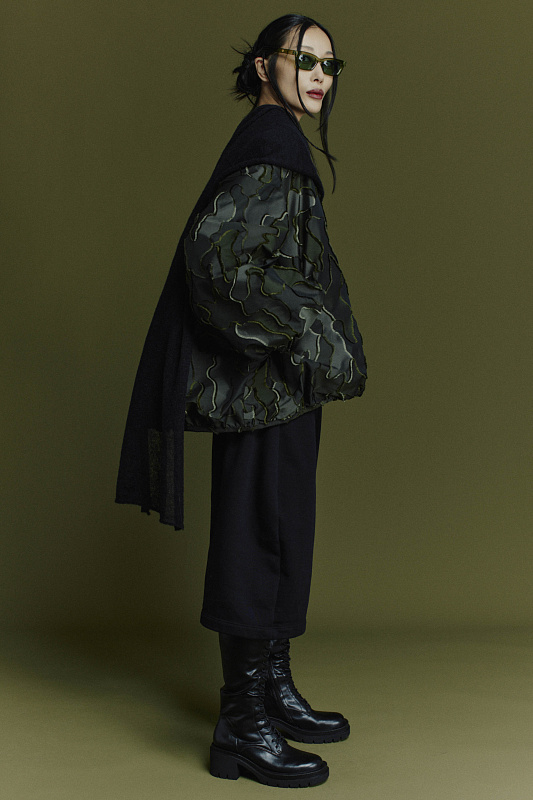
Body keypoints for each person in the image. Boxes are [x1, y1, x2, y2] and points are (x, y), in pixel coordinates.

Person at [116, 13, 367, 789]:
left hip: (279, 390)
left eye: (328, 64)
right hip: (261, 388)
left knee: (281, 535)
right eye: (303, 59)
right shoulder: (270, 144)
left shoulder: (277, 141)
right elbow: (217, 262)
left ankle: (271, 692)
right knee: (256, 542)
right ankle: (240, 725)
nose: (319, 76)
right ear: (263, 66)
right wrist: (310, 332)